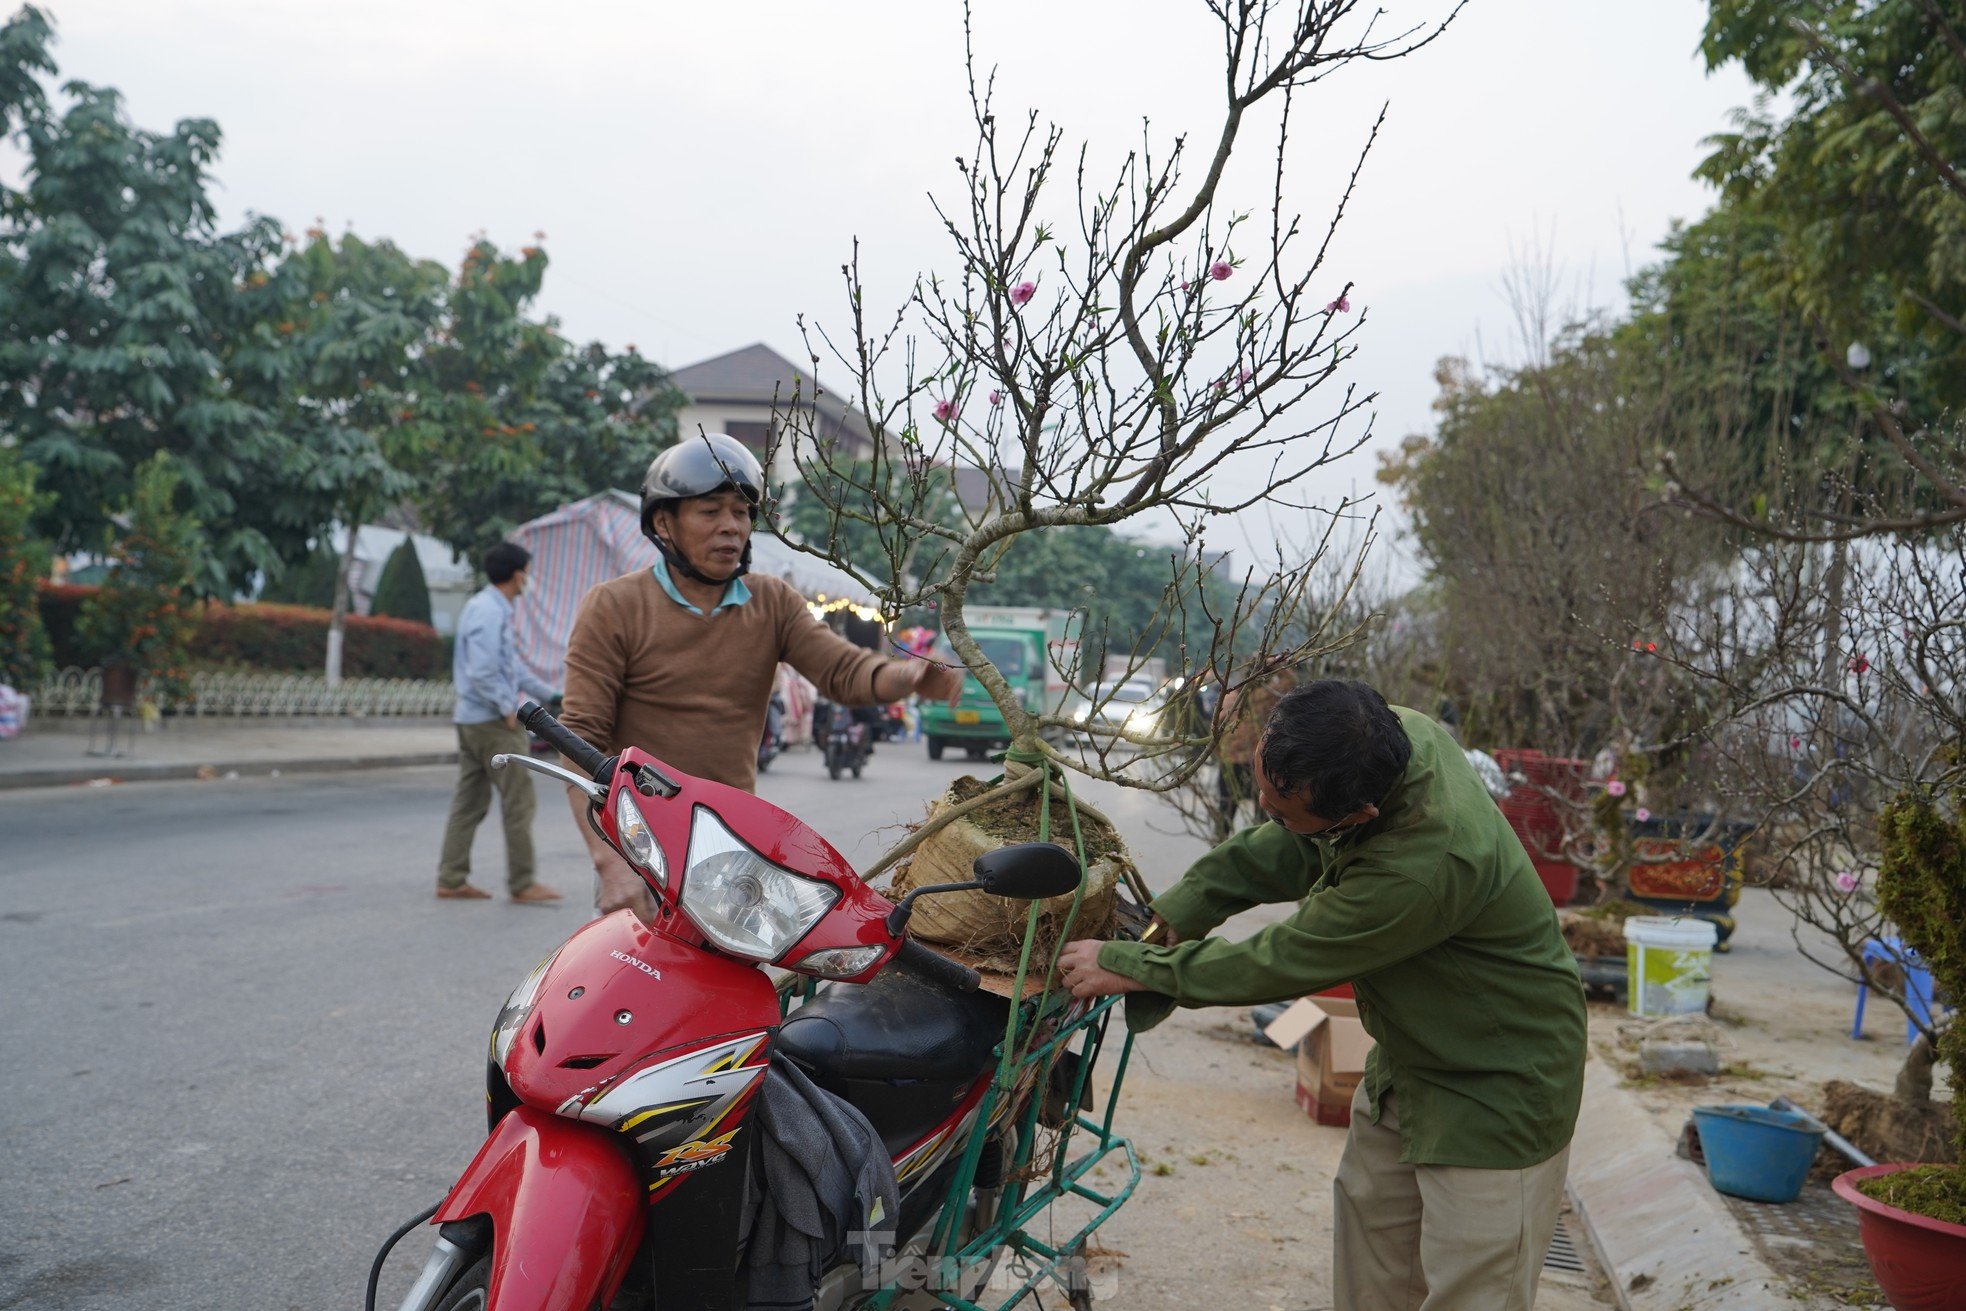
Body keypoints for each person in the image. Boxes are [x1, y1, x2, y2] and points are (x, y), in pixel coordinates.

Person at [1057, 680, 1586, 1311]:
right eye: (1264, 787)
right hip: (1409, 1065)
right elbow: (1287, 842)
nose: (1261, 805)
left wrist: (1133, 964)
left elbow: (1281, 959)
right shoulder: (1391, 738)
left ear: (1358, 816)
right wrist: (1179, 910)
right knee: (1372, 1280)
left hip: (1498, 1086)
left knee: (1474, 1294)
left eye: (1282, 808)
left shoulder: (1422, 868)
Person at [559, 433, 964, 920]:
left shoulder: (772, 601)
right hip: (639, 841)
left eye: (741, 512)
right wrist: (610, 861)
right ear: (663, 523)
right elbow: (580, 741)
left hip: (732, 844)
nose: (731, 527)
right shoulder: (615, 606)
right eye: (710, 512)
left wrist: (908, 676)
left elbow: (842, 670)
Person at [437, 541, 563, 904]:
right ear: (517, 574)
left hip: (474, 719)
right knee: (519, 801)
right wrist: (508, 707)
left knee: (469, 801)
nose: (529, 578)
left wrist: (551, 695)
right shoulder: (489, 613)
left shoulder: (491, 608)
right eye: (527, 570)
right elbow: (482, 671)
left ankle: (451, 877)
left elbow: (512, 667)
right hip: (492, 722)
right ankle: (523, 883)